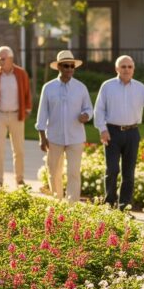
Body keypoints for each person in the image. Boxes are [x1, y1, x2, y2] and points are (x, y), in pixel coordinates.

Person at [93, 55, 144, 210]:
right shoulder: (107, 86)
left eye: (129, 67)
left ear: (133, 69)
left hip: (132, 133)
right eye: (123, 66)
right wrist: (102, 129)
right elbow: (99, 109)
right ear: (117, 69)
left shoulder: (140, 87)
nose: (126, 69)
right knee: (112, 169)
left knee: (129, 172)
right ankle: (109, 204)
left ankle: (124, 207)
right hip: (112, 132)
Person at [36, 50, 92, 202]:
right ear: (59, 67)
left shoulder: (81, 88)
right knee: (54, 172)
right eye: (66, 66)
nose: (69, 69)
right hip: (54, 137)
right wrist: (42, 137)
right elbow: (42, 114)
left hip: (76, 137)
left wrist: (86, 115)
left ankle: (72, 206)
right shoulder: (48, 88)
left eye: (72, 66)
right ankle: (58, 202)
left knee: (74, 172)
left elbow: (89, 108)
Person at [0, 46, 31, 189]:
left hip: (17, 115)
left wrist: (28, 109)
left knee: (19, 150)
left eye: (2, 58)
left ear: (10, 59)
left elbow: (27, 93)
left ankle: (20, 180)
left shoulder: (21, 73)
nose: (0, 61)